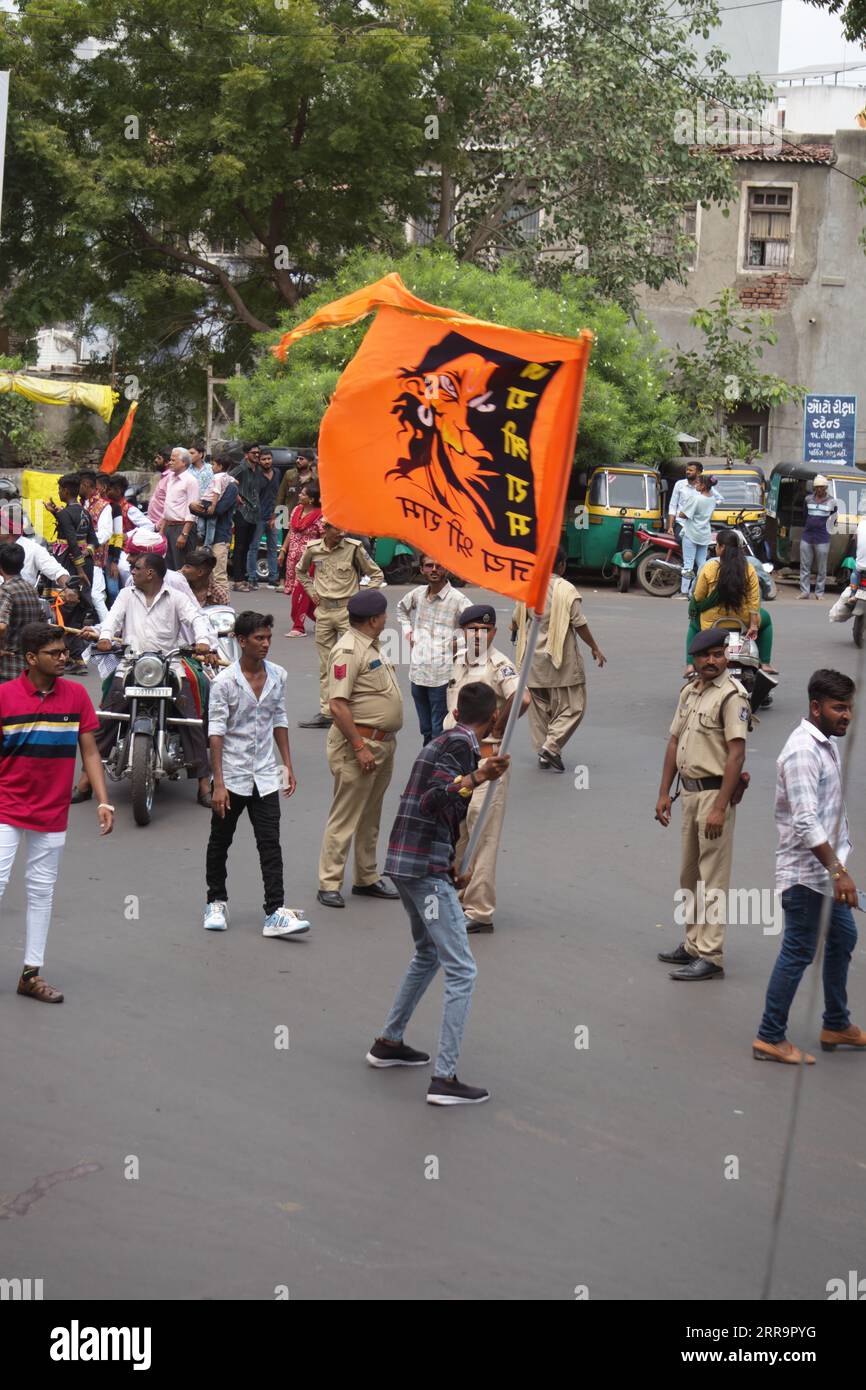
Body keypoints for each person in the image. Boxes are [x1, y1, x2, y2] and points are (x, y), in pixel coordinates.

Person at [366, 681, 510, 1105]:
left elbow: (437, 812)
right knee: (462, 969)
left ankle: (390, 1041)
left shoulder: (446, 739)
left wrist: (449, 862)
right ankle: (444, 1077)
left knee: (428, 954)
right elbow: (433, 800)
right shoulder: (462, 748)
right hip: (420, 868)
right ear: (495, 716)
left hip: (413, 862)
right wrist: (478, 775)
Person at [753, 669, 866, 1064]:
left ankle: (836, 1022)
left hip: (826, 875)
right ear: (815, 707)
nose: (847, 716)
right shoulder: (804, 751)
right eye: (839, 708)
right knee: (798, 951)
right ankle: (769, 1036)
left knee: (842, 940)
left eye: (850, 707)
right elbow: (804, 821)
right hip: (807, 877)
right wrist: (839, 872)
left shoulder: (825, 743)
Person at [0, 621, 113, 1003]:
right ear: (31, 659)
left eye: (65, 651)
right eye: (55, 653)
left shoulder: (77, 696)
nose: (65, 657)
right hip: (6, 806)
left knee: (41, 892)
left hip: (52, 811)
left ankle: (30, 974)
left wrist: (102, 799)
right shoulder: (4, 697)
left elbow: (91, 752)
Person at [73, 552, 215, 807]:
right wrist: (105, 636)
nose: (132, 571)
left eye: (136, 567)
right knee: (107, 715)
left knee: (190, 717)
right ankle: (85, 780)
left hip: (169, 664)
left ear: (150, 573)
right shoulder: (127, 595)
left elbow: (197, 619)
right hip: (132, 663)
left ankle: (203, 783)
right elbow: (113, 619)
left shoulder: (177, 598)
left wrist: (203, 640)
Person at [204, 611, 311, 938]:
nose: (265, 644)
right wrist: (218, 783)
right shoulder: (224, 682)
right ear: (241, 640)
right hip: (232, 777)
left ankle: (275, 911)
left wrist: (287, 765)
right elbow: (216, 732)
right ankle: (216, 901)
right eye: (258, 638)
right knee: (220, 842)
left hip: (265, 775)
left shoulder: (278, 675)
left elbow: (279, 719)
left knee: (270, 844)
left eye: (268, 638)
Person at [655, 628, 751, 980]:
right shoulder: (690, 693)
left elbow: (736, 755)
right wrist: (664, 792)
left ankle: (710, 955)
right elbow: (673, 742)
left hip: (714, 795)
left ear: (726, 656)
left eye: (717, 654)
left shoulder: (732, 696)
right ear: (693, 659)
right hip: (690, 793)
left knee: (712, 878)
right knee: (690, 875)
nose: (711, 661)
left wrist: (719, 808)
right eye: (704, 655)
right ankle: (693, 942)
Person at [444, 604, 529, 933]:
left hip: (485, 762)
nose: (478, 635)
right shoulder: (459, 660)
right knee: (458, 834)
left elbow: (522, 699)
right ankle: (460, 895)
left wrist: (496, 729)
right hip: (457, 762)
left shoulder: (499, 664)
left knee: (483, 835)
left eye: (484, 630)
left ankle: (479, 911)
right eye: (472, 629)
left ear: (493, 632)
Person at [317, 589, 403, 909]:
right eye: (383, 615)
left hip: (380, 744)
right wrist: (358, 746)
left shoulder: (371, 645)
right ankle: (328, 882)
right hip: (360, 745)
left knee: (371, 814)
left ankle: (366, 877)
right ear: (373, 620)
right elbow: (337, 705)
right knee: (345, 815)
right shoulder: (349, 651)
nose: (386, 619)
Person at [512, 546, 606, 772]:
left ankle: (544, 751)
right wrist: (594, 647)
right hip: (559, 659)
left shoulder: (530, 587)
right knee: (574, 706)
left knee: (539, 708)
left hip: (532, 660)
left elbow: (516, 619)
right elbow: (579, 623)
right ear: (562, 566)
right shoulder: (566, 589)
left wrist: (514, 629)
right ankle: (551, 747)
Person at [296, 521, 385, 729]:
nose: (342, 533)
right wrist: (312, 592)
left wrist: (363, 600)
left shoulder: (354, 548)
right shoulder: (313, 550)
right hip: (324, 612)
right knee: (326, 664)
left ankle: (356, 710)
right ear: (325, 529)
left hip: (348, 613)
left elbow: (376, 575)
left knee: (352, 661)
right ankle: (328, 712)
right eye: (337, 529)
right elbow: (300, 572)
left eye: (344, 528)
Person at [397, 557, 471, 745]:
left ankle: (435, 764)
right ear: (422, 569)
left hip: (442, 676)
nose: (434, 569)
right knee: (426, 728)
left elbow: (477, 624)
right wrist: (409, 633)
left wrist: (460, 643)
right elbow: (401, 610)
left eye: (439, 566)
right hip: (418, 673)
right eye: (429, 566)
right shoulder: (418, 594)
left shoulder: (457, 599)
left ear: (447, 569)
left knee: (439, 727)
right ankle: (431, 758)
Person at [687, 529, 775, 673]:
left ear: (721, 547)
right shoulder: (749, 568)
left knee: (693, 625)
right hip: (743, 620)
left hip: (711, 622)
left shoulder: (709, 567)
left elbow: (698, 597)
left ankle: (690, 665)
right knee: (767, 621)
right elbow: (754, 600)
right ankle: (765, 663)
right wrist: (753, 625)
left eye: (716, 545)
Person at [278, 480, 324, 636]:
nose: (299, 495)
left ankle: (298, 626)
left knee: (302, 591)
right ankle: (323, 620)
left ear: (311, 499)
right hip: (292, 557)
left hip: (309, 560)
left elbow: (324, 539)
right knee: (300, 593)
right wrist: (283, 550)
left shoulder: (320, 516)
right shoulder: (296, 510)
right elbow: (291, 532)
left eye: (303, 493)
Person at [191, 455, 237, 596]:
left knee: (218, 575)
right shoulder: (214, 483)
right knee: (199, 575)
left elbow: (218, 510)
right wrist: (193, 507)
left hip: (220, 537)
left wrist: (195, 509)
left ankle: (224, 608)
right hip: (202, 539)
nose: (211, 467)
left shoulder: (231, 487)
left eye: (214, 465)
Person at [0, 544, 44, 683]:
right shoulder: (30, 589)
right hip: (27, 664)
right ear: (22, 564)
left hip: (7, 666)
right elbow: (42, 622)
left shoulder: (6, 591)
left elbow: (2, 626)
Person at [675, 473, 717, 598]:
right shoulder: (712, 499)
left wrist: (682, 511)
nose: (696, 485)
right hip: (704, 534)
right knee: (702, 564)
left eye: (698, 483)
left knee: (688, 564)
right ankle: (697, 590)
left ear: (703, 486)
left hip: (691, 533)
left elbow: (683, 514)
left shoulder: (696, 498)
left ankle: (684, 592)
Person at [159, 447, 201, 570]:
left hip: (182, 527)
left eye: (173, 460)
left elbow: (192, 511)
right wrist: (162, 531)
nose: (170, 462)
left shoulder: (191, 481)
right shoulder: (171, 478)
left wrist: (184, 534)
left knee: (181, 567)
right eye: (170, 460)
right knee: (168, 567)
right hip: (169, 527)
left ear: (184, 463)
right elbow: (168, 507)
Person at [800, 474, 838, 599]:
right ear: (814, 488)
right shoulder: (807, 499)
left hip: (822, 538)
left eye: (822, 487)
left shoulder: (832, 502)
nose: (820, 489)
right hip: (807, 537)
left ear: (826, 488)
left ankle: (819, 593)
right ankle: (805, 592)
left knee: (822, 568)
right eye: (817, 487)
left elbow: (834, 519)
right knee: (805, 566)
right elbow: (805, 515)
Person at [230, 443, 262, 590]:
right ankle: (238, 580)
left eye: (258, 453)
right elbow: (227, 479)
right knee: (239, 547)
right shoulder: (241, 468)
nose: (257, 455)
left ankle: (244, 579)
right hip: (242, 512)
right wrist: (235, 495)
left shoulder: (257, 470)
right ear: (246, 454)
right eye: (253, 452)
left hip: (254, 513)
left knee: (247, 547)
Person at [247, 447, 280, 590]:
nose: (267, 461)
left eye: (269, 459)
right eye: (264, 459)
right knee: (254, 547)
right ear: (259, 461)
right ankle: (252, 577)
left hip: (276, 515)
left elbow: (280, 494)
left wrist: (276, 515)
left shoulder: (278, 473)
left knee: (273, 548)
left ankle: (273, 578)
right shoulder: (255, 475)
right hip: (258, 517)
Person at [666, 462, 721, 540]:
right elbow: (673, 506)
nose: (687, 472)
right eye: (687, 470)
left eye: (691, 470)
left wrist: (706, 507)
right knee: (683, 540)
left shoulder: (704, 487)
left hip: (698, 525)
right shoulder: (679, 484)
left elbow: (719, 499)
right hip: (681, 523)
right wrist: (670, 527)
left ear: (698, 473)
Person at [188, 439, 213, 540]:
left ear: (201, 454)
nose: (189, 455)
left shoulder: (211, 469)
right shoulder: (186, 469)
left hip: (206, 508)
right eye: (188, 453)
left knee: (202, 536)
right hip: (189, 508)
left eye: (192, 453)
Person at [147, 448, 172, 528]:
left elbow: (170, 506)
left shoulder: (170, 478)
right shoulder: (164, 476)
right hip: (153, 523)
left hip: (160, 526)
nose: (155, 460)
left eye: (159, 458)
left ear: (167, 462)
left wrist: (158, 526)